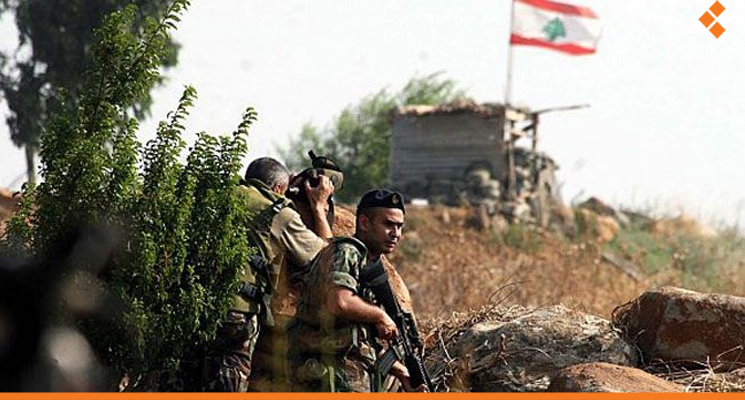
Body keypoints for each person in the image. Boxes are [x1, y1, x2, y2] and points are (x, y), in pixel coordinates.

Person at [203, 157, 334, 392]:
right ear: (278, 188)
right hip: (237, 313)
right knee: (230, 378)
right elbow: (326, 258)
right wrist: (319, 206)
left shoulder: (217, 196)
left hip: (197, 304)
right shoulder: (277, 211)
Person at [287, 189, 426, 392]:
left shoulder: (368, 266)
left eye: (399, 226)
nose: (395, 233)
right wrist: (380, 316)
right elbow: (340, 302)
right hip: (325, 376)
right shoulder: (346, 252)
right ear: (364, 223)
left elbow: (361, 341)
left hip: (343, 374)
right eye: (388, 224)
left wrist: (401, 372)